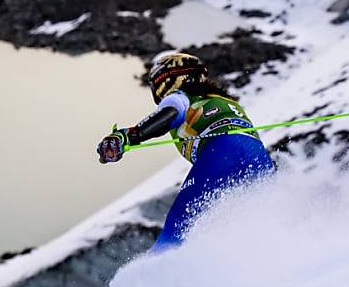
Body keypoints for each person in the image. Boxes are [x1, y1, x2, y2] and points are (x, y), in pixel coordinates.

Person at [97, 52, 275, 252]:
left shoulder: (181, 96)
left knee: (180, 221)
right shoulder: (222, 100)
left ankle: (157, 269)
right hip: (259, 159)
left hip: (223, 151)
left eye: (157, 82)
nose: (156, 90)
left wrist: (126, 136)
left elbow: (168, 115)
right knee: (243, 220)